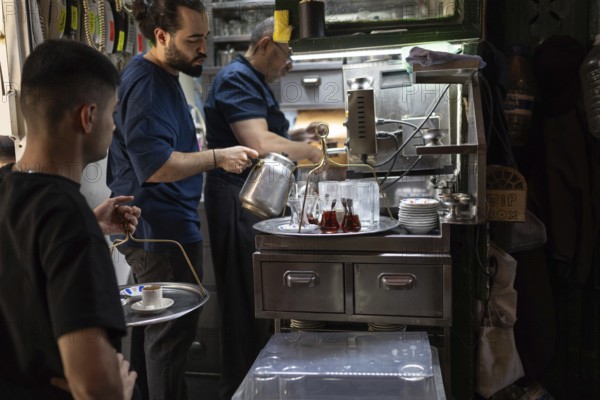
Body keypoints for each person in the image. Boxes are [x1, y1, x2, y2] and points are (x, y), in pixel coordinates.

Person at [106, 1, 258, 399]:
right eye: (193, 39)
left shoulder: (167, 75)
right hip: (160, 232)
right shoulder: (146, 82)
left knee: (153, 336)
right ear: (161, 36)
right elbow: (154, 166)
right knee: (170, 340)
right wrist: (218, 157)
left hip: (165, 227)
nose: (202, 48)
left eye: (204, 38)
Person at [0, 39, 140, 400]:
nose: (113, 126)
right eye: (112, 114)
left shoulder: (9, 190)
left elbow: (19, 258)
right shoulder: (67, 216)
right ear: (88, 117)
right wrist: (118, 388)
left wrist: (90, 226)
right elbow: (93, 383)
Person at [203, 17, 322, 399]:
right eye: (287, 55)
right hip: (239, 198)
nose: (290, 65)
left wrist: (298, 138)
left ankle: (262, 385)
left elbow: (270, 135)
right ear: (267, 44)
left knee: (255, 298)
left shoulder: (253, 80)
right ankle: (240, 389)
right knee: (242, 301)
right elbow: (258, 141)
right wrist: (316, 153)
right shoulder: (237, 78)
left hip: (254, 196)